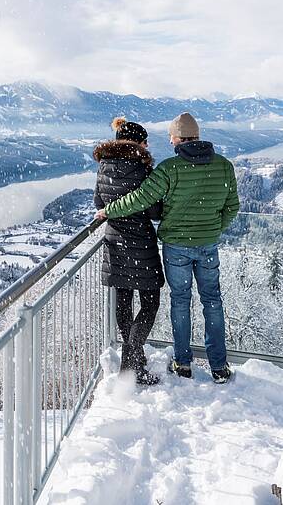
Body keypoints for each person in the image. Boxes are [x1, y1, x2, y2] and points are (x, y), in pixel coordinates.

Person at [95, 112, 239, 384]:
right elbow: (232, 207)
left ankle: (182, 363)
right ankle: (218, 366)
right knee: (212, 301)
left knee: (180, 301)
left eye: (171, 135)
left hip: (175, 246)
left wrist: (109, 209)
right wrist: (213, 228)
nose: (168, 140)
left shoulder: (170, 168)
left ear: (179, 138)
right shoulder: (224, 166)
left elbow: (141, 199)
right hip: (207, 245)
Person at [94, 117, 165, 386]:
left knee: (123, 302)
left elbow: (99, 201)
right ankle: (131, 363)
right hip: (140, 243)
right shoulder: (143, 170)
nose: (147, 146)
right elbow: (155, 210)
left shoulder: (103, 167)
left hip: (114, 242)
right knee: (150, 302)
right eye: (145, 141)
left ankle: (133, 358)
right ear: (136, 142)